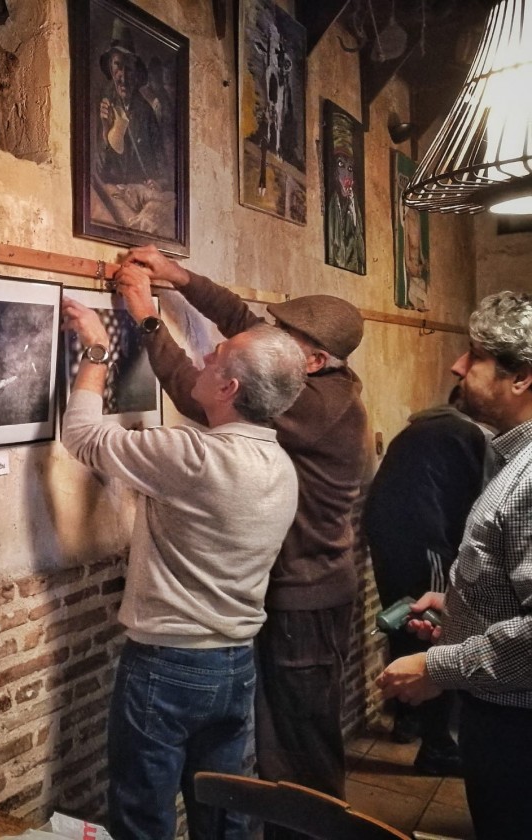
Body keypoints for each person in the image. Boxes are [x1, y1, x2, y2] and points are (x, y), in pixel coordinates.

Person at [115, 245, 369, 818]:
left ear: (314, 361)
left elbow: (197, 394)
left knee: (296, 749)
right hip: (289, 589)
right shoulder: (303, 367)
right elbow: (245, 323)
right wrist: (176, 276)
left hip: (306, 597)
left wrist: (148, 318)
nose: (270, 337)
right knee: (275, 746)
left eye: (287, 339)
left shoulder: (315, 404)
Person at [61, 295, 308, 840]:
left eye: (216, 356)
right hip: (236, 664)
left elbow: (81, 437)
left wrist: (98, 351)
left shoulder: (198, 458)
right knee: (225, 815)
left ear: (228, 390)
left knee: (143, 816)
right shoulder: (280, 466)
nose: (204, 358)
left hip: (169, 664)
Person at [376, 291, 532, 840]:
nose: (457, 365)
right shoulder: (515, 459)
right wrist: (462, 609)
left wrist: (437, 666)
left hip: (518, 727)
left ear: (522, 379)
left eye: (476, 356)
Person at [363, 386, 493, 775]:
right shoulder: (470, 435)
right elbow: (481, 505)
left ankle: (410, 718)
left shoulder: (424, 426)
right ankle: (437, 745)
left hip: (389, 540)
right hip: (427, 541)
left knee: (407, 626)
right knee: (438, 633)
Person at [92, 18, 175, 239]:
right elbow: (99, 171)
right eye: (118, 65)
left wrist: (157, 181)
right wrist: (104, 130)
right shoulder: (103, 106)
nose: (123, 75)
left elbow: (163, 168)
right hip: (115, 200)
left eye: (129, 68)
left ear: (137, 73)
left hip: (143, 199)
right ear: (111, 68)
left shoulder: (146, 112)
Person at [326, 111, 365, 273]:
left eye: (350, 168)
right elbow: (336, 253)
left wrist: (354, 218)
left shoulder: (353, 204)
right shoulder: (333, 204)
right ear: (334, 171)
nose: (347, 175)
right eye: (341, 165)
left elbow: (360, 252)